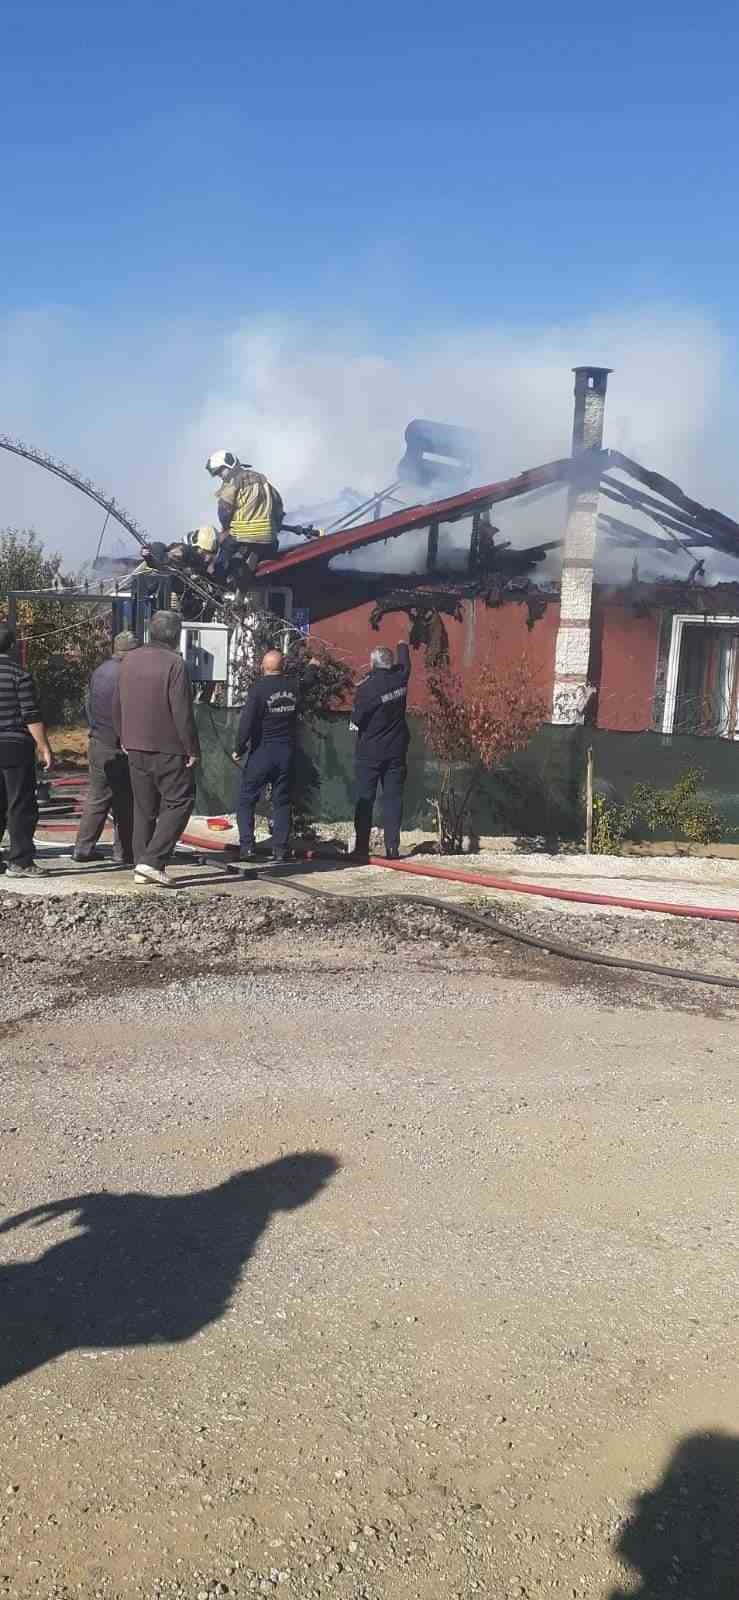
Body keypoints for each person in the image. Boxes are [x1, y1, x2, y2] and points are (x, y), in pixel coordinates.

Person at [112, 610, 200, 887]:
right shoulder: (175, 664)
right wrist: (192, 748)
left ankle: (142, 863)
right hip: (169, 746)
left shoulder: (129, 660)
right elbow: (182, 711)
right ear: (176, 634)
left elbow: (117, 703)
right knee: (179, 801)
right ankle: (152, 861)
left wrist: (123, 737)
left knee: (144, 807)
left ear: (151, 631)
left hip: (134, 745)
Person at [233, 649, 317, 864]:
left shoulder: (258, 689)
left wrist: (239, 748)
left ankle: (247, 847)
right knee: (282, 801)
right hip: (286, 752)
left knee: (246, 799)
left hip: (263, 751)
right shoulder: (292, 686)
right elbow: (307, 682)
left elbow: (247, 722)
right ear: (283, 667)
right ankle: (280, 849)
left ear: (264, 666)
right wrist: (313, 666)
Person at [73, 631, 138, 865]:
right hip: (120, 746)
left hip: (98, 740)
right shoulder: (129, 674)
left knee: (97, 796)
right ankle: (123, 852)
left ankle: (83, 847)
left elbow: (89, 706)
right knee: (125, 799)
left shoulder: (100, 671)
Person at [0, 623, 53, 879]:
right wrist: (44, 746)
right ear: (12, 646)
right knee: (20, 803)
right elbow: (30, 713)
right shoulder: (19, 674)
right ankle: (20, 860)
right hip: (14, 746)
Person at [350, 640, 411, 862]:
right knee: (393, 799)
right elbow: (406, 664)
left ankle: (361, 848)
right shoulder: (401, 678)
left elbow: (357, 719)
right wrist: (402, 645)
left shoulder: (366, 688)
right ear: (391, 663)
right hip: (396, 750)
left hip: (370, 752)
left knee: (365, 798)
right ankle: (392, 849)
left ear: (373, 664)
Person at [206, 449, 284, 583]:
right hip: (269, 538)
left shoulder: (232, 482)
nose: (220, 475)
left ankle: (218, 586)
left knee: (222, 555)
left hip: (243, 537)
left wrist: (225, 529)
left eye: (220, 471)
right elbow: (278, 504)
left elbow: (224, 512)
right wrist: (275, 524)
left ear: (229, 465)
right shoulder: (262, 478)